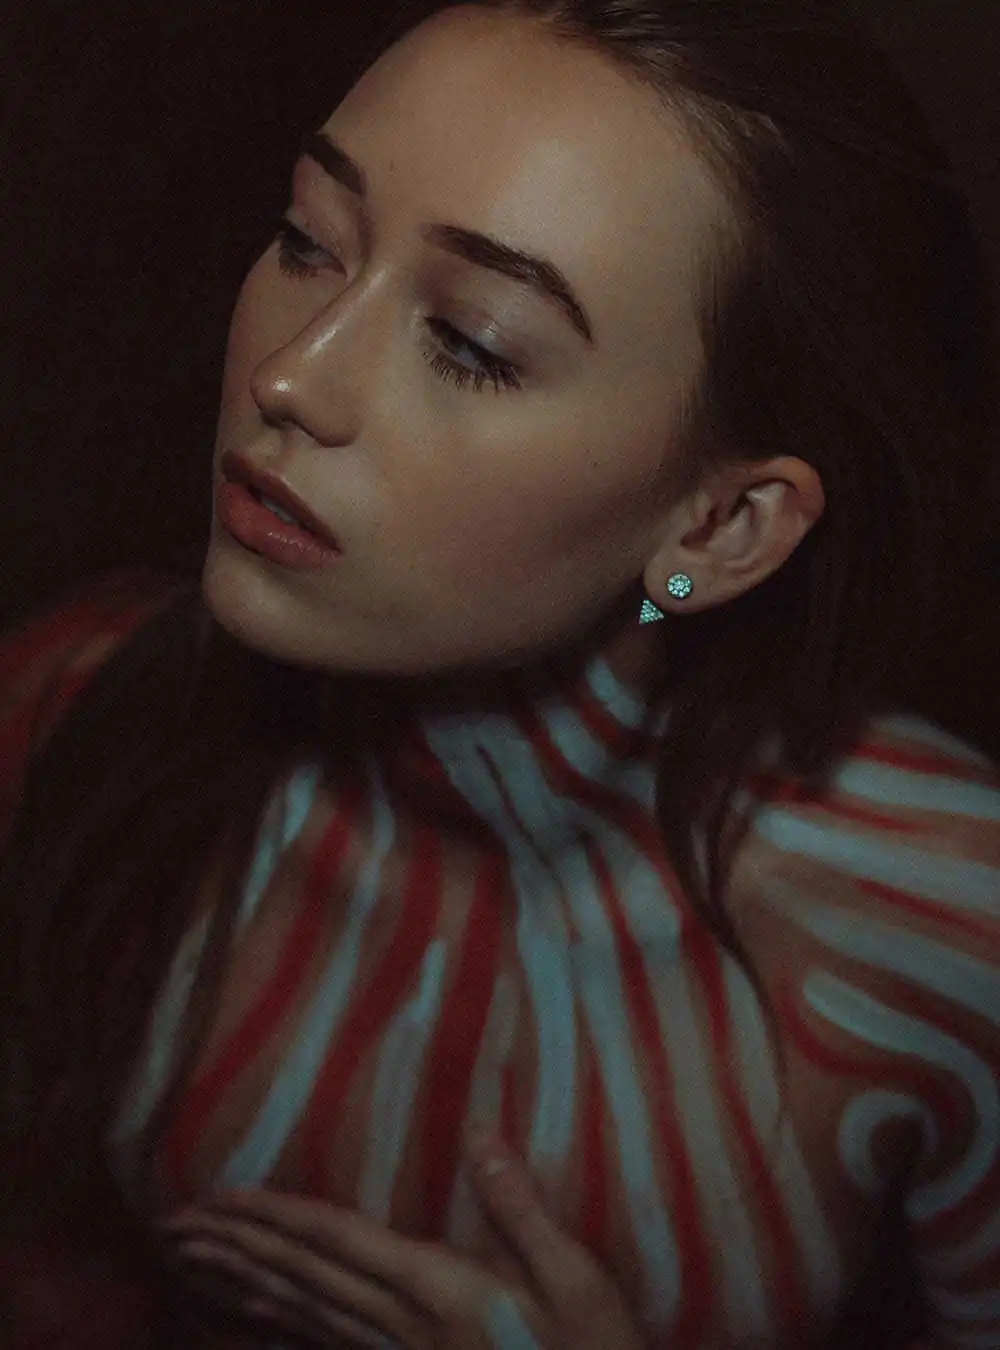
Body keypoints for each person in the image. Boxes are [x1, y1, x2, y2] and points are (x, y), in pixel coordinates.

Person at [1, 0, 998, 1346]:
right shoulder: (70, 705)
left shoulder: (938, 926)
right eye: (307, 239)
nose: (294, 378)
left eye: (471, 342)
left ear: (721, 526)